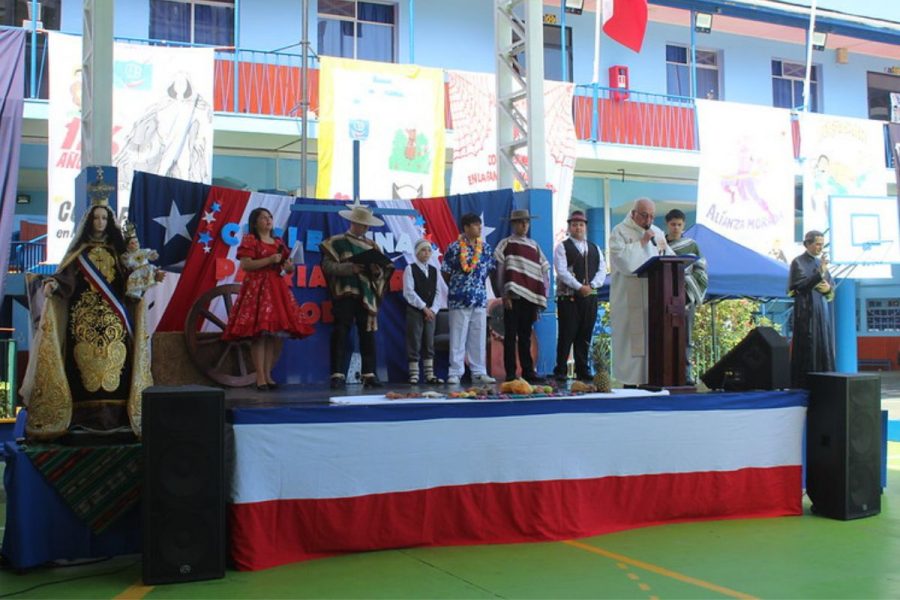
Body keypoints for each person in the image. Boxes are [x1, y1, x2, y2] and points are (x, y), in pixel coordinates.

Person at [21, 197, 164, 440]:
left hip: (114, 322)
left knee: (117, 366)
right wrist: (54, 284)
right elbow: (66, 278)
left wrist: (150, 276)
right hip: (83, 321)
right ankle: (82, 416)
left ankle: (118, 416)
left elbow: (131, 280)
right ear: (89, 221)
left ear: (109, 222)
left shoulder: (119, 253)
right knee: (83, 367)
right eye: (96, 218)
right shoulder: (80, 254)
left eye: (104, 218)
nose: (100, 222)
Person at [222, 207, 314, 391]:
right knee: (259, 334)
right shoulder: (251, 240)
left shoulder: (278, 241)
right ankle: (260, 378)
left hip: (276, 288)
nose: (268, 220)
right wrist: (270, 260)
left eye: (269, 217)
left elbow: (289, 268)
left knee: (273, 336)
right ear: (255, 223)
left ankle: (269, 375)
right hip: (257, 288)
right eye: (263, 218)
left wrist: (288, 267)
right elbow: (246, 265)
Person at [321, 202, 395, 389]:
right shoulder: (336, 242)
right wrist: (350, 268)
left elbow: (381, 273)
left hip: (367, 295)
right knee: (341, 332)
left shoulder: (373, 246)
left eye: (367, 225)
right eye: (363, 224)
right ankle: (337, 374)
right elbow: (327, 267)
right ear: (353, 223)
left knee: (367, 333)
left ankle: (369, 373)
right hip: (345, 293)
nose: (365, 227)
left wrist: (376, 271)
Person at [608, 198, 673, 388]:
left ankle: (652, 379)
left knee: (652, 337)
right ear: (634, 213)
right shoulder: (619, 231)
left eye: (652, 215)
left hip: (654, 297)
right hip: (630, 297)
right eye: (645, 215)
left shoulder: (657, 233)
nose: (649, 220)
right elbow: (624, 262)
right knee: (632, 340)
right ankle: (630, 382)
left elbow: (667, 256)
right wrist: (642, 243)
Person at [494, 209, 550, 383]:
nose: (524, 225)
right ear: (513, 224)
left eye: (526, 222)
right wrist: (504, 294)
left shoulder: (534, 245)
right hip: (513, 295)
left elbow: (543, 269)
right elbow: (500, 271)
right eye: (520, 222)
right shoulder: (506, 243)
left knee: (526, 336)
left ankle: (528, 371)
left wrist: (542, 295)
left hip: (530, 297)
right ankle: (510, 373)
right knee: (510, 336)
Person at [441, 213, 497, 386]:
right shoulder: (454, 248)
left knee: (478, 336)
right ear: (465, 228)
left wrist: (476, 287)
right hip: (459, 299)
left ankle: (479, 372)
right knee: (458, 336)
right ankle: (455, 372)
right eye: (475, 225)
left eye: (480, 224)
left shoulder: (486, 249)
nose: (479, 227)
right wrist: (458, 287)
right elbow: (445, 271)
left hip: (479, 298)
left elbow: (489, 271)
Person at [553, 210, 607, 383]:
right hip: (568, 298)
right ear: (569, 227)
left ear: (586, 227)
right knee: (566, 334)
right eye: (574, 224)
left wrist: (591, 286)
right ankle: (560, 370)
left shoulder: (594, 248)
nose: (578, 228)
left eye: (581, 225)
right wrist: (579, 287)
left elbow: (602, 270)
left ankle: (583, 370)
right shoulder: (562, 247)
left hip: (590, 297)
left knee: (585, 334)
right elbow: (561, 272)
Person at [664, 209, 708, 385]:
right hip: (664, 296)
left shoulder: (692, 245)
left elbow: (701, 269)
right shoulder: (658, 245)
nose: (676, 228)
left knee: (685, 338)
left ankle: (686, 375)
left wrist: (689, 283)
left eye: (679, 224)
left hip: (686, 298)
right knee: (665, 336)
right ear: (667, 225)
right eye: (673, 224)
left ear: (683, 225)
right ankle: (665, 374)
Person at [789, 230, 835, 388]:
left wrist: (828, 289)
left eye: (822, 244)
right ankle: (804, 385)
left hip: (822, 312)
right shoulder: (798, 262)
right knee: (808, 347)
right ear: (807, 244)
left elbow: (830, 289)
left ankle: (826, 384)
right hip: (806, 312)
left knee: (824, 346)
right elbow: (799, 286)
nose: (820, 247)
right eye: (817, 244)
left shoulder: (819, 264)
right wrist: (819, 274)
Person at [403, 239, 443, 384]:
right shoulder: (410, 269)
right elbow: (408, 292)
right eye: (423, 250)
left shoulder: (434, 270)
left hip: (430, 313)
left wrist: (433, 310)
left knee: (429, 342)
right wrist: (423, 307)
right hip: (416, 311)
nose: (426, 253)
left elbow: (438, 292)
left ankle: (429, 374)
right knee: (414, 340)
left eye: (428, 250)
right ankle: (414, 374)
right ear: (417, 252)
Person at [120, 222, 161, 300]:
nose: (135, 244)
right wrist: (127, 259)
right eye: (132, 243)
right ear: (127, 246)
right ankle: (136, 294)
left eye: (136, 242)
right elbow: (127, 264)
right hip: (137, 271)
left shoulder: (143, 251)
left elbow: (150, 254)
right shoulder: (127, 255)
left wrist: (153, 255)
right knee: (134, 280)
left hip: (146, 269)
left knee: (150, 277)